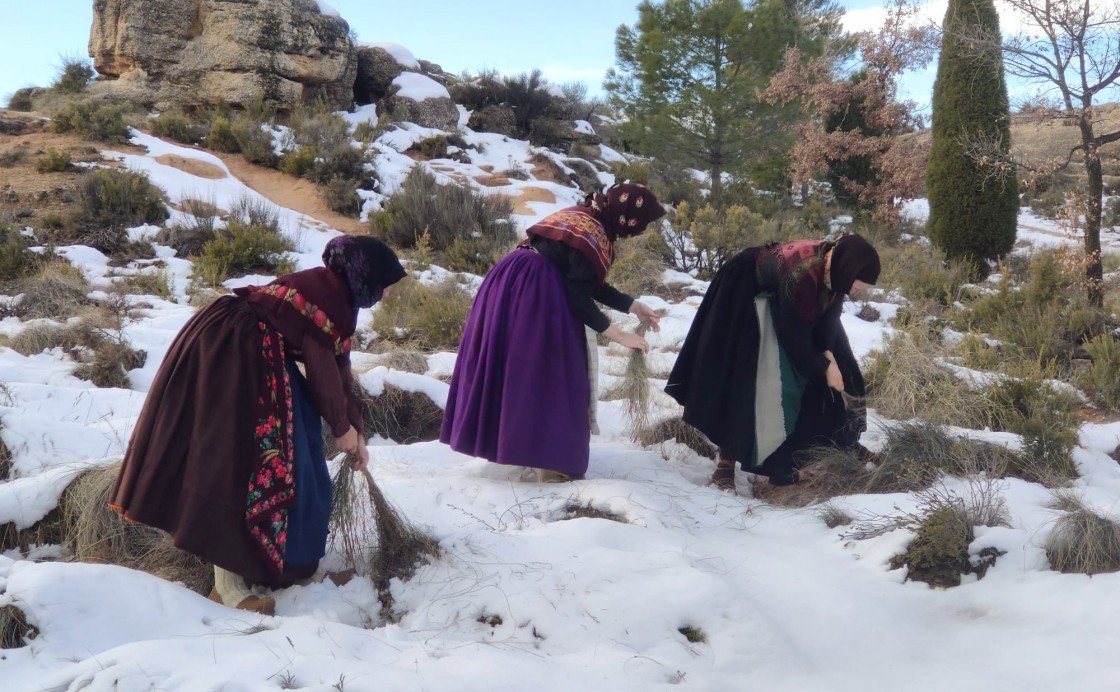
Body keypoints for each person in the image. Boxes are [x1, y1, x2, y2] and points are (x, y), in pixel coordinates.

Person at [110, 235, 406, 614]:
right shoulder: (329, 296)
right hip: (231, 352)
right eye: (382, 284)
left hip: (257, 351)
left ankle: (296, 568)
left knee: (302, 453)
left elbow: (338, 368)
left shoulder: (336, 296)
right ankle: (227, 586)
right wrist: (341, 428)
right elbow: (321, 369)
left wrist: (354, 427)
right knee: (236, 461)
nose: (384, 294)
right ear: (362, 276)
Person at [440, 182, 667, 482]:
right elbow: (579, 297)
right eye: (642, 224)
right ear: (629, 217)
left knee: (521, 371)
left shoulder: (584, 217)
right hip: (534, 292)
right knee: (557, 373)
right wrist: (619, 335)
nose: (641, 231)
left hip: (510, 280)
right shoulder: (593, 231)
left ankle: (525, 448)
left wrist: (632, 306)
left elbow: (583, 279)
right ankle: (554, 463)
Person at [665, 233, 880, 490]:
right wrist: (823, 366)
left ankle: (845, 440)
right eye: (858, 286)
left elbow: (828, 315)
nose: (857, 292)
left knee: (846, 367)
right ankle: (726, 463)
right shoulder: (803, 273)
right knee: (745, 380)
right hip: (745, 290)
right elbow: (793, 335)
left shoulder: (835, 270)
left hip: (788, 303)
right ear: (847, 271)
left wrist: (828, 351)